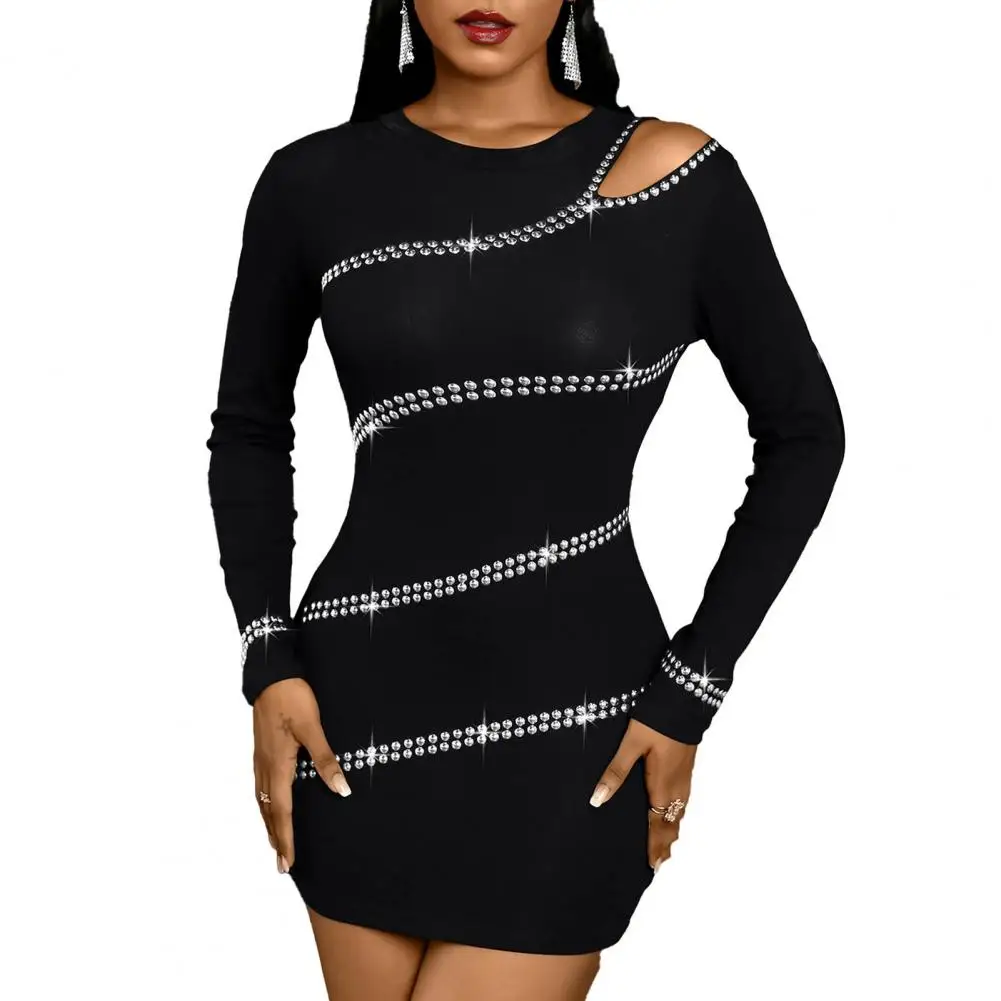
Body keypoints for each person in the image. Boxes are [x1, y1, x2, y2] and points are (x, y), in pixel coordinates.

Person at [206, 1, 846, 997]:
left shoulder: (674, 175)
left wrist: (692, 686)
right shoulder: (312, 181)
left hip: (577, 723)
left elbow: (804, 433)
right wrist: (267, 658)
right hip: (354, 711)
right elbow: (249, 428)